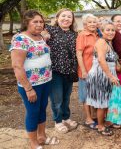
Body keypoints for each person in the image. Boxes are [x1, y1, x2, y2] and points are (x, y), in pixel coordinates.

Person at [10, 10, 59, 149]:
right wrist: (28, 88)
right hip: (31, 84)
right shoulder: (20, 39)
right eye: (35, 22)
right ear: (27, 23)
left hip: (46, 81)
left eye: (41, 21)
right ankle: (33, 143)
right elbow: (17, 66)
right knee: (33, 112)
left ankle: (42, 136)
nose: (39, 24)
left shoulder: (40, 37)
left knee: (42, 109)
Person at [42, 8, 78, 133]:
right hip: (55, 71)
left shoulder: (75, 34)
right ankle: (58, 121)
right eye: (63, 16)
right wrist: (44, 35)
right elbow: (31, 30)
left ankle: (66, 117)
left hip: (70, 71)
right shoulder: (50, 30)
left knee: (66, 97)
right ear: (57, 18)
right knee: (57, 99)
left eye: (69, 17)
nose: (66, 19)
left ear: (72, 20)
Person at [85, 21, 119, 136]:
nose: (111, 32)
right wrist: (111, 76)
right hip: (100, 76)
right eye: (108, 30)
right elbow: (101, 60)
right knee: (102, 102)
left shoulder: (109, 42)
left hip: (107, 75)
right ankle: (100, 126)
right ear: (102, 31)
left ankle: (107, 121)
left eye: (112, 30)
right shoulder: (101, 42)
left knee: (108, 101)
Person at [76, 14, 99, 129]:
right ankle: (88, 118)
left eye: (94, 22)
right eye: (89, 22)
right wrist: (83, 70)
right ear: (85, 24)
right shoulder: (82, 35)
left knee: (94, 93)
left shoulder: (97, 34)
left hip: (96, 71)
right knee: (85, 95)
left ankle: (94, 115)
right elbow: (79, 54)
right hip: (86, 70)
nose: (92, 24)